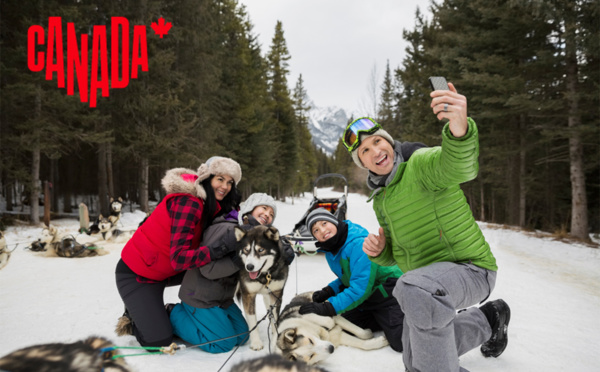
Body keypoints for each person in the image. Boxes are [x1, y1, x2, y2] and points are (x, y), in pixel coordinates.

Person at [343, 83, 510, 372]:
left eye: (377, 141)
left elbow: (459, 166)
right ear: (362, 162)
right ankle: (489, 319)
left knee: (411, 291)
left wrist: (460, 129)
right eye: (365, 150)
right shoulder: (381, 199)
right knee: (414, 357)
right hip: (429, 284)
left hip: (471, 269)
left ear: (388, 142)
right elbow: (398, 255)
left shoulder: (419, 164)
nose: (375, 151)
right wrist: (381, 252)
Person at [114, 156, 242, 348]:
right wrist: (221, 248)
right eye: (220, 179)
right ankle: (139, 315)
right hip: (138, 275)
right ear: (207, 178)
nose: (225, 186)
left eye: (230, 182)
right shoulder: (189, 203)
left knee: (210, 267)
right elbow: (180, 259)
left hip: (164, 271)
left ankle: (203, 311)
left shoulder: (210, 205)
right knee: (158, 341)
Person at [169, 192, 293, 353]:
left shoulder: (255, 236)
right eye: (263, 208)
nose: (267, 215)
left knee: (242, 337)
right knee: (223, 343)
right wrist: (239, 260)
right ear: (249, 209)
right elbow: (208, 270)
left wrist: (281, 254)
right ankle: (174, 314)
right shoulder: (226, 228)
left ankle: (206, 320)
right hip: (200, 296)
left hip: (223, 298)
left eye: (271, 214)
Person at [297, 208, 405, 352]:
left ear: (334, 221)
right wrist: (329, 290)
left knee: (400, 342)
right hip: (370, 296)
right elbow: (348, 277)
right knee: (343, 325)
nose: (322, 231)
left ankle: (407, 312)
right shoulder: (331, 249)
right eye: (315, 230)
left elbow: (360, 288)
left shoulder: (358, 244)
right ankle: (380, 318)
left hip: (389, 293)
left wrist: (328, 307)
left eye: (324, 223)